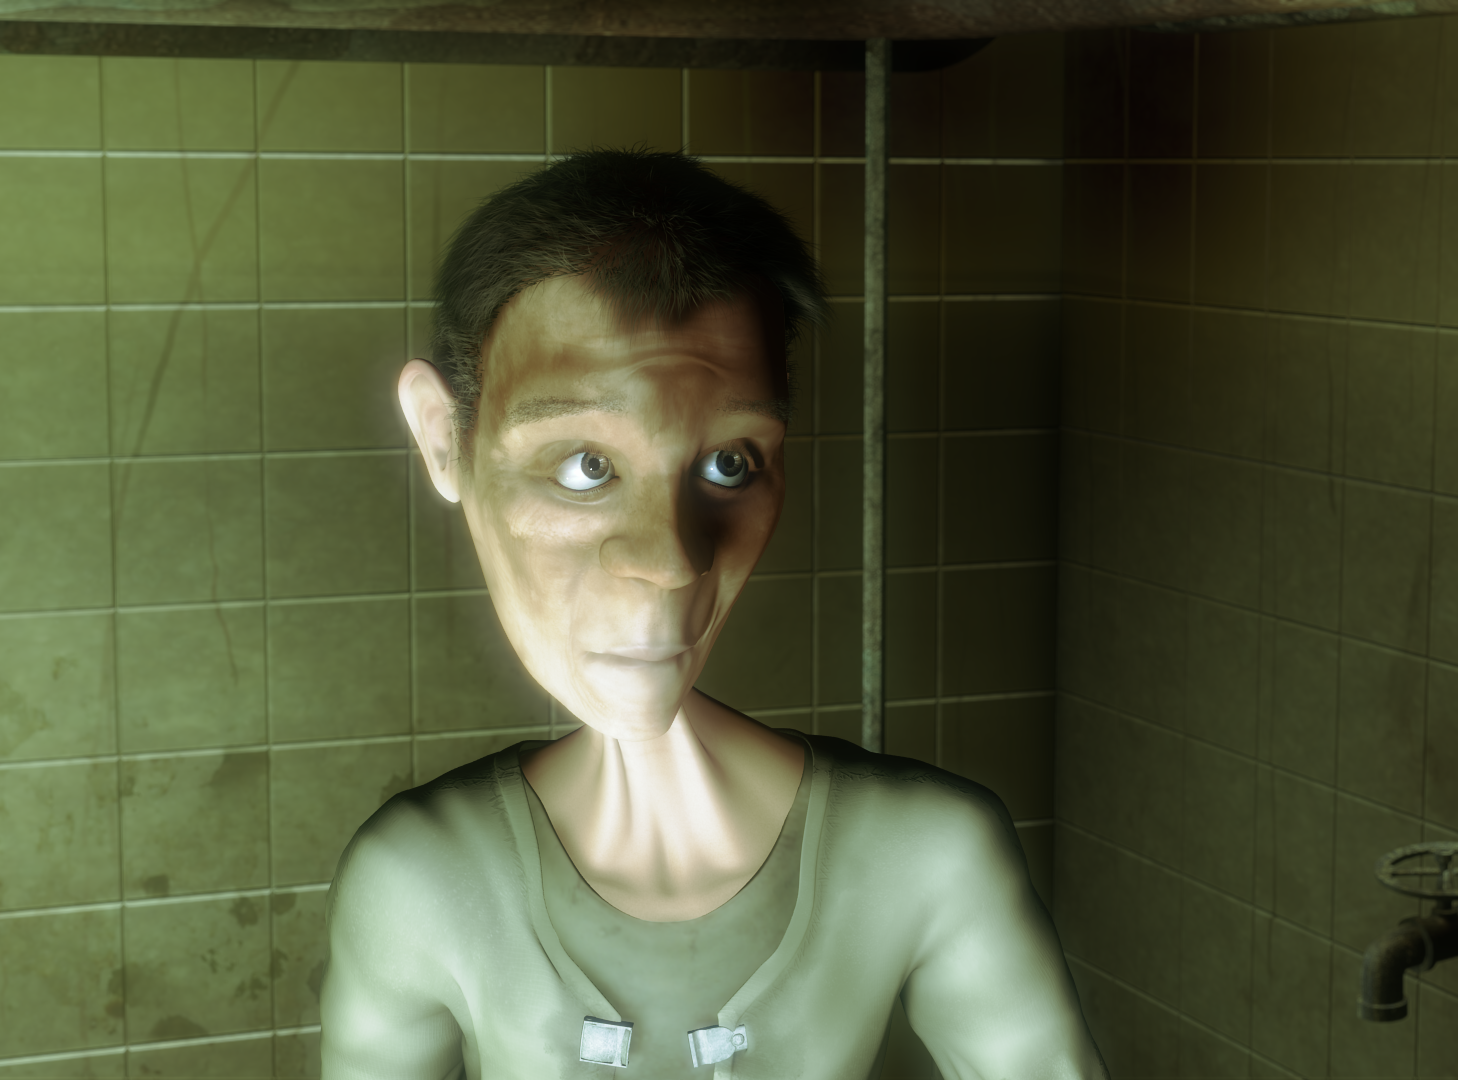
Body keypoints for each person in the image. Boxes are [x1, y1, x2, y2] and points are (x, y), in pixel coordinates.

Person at [319, 148, 1106, 1080]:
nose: (671, 561)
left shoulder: (929, 856)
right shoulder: (421, 882)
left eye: (731, 463)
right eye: (585, 467)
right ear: (443, 438)